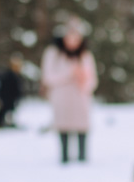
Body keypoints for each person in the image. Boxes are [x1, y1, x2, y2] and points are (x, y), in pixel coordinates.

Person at [40, 19, 98, 163]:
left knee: (81, 126)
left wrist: (83, 82)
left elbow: (93, 79)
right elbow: (48, 77)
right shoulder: (53, 54)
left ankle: (82, 157)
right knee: (63, 126)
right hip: (61, 97)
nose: (73, 41)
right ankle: (64, 157)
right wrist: (69, 74)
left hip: (80, 97)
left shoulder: (85, 55)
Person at [0, 55, 24, 128]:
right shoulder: (8, 75)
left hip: (11, 99)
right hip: (7, 99)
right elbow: (4, 88)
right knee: (4, 112)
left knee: (7, 112)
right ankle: (0, 123)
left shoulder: (16, 75)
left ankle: (4, 122)